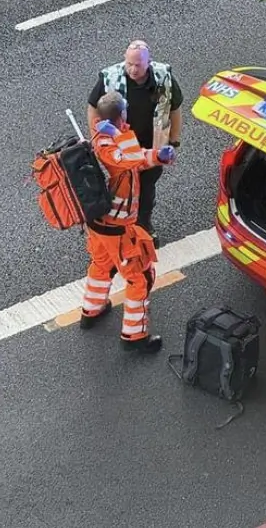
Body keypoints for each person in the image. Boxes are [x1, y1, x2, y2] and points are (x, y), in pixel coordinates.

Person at [79, 90, 176, 354]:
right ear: (122, 114)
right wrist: (153, 154)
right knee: (140, 278)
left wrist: (155, 156)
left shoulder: (103, 136)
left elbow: (133, 159)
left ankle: (92, 309)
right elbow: (126, 160)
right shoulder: (110, 143)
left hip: (99, 223)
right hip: (117, 226)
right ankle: (134, 336)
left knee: (102, 264)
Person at [87, 40, 183, 249]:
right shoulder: (110, 78)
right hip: (123, 148)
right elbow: (93, 106)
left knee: (146, 191)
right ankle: (123, 233)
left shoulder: (163, 77)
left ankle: (142, 225)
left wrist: (173, 142)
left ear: (148, 62)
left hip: (150, 143)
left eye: (138, 65)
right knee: (123, 192)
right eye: (129, 63)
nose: (132, 69)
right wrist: (98, 136)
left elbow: (175, 109)